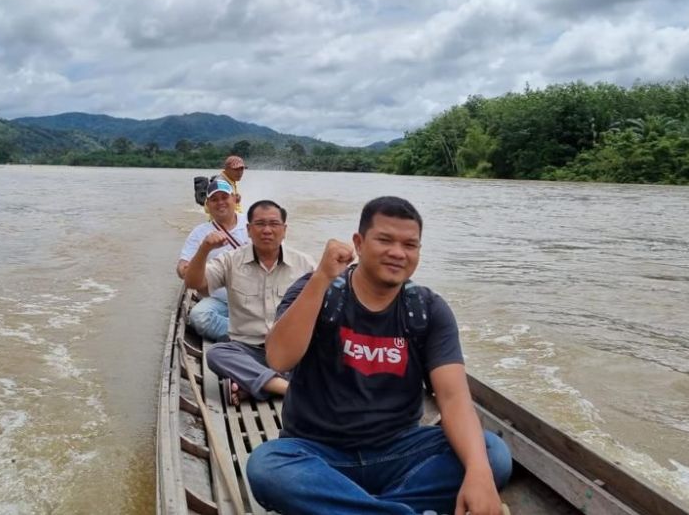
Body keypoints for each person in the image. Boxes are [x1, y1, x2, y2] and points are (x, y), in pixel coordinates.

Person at [247, 196, 512, 515]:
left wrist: (479, 475)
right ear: (358, 243)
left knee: (491, 454)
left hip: (398, 453)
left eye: (410, 245)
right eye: (385, 240)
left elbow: (454, 398)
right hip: (318, 453)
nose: (398, 253)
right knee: (267, 466)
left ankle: (356, 507)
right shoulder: (318, 289)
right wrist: (320, 278)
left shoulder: (428, 309)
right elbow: (279, 359)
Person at [184, 199, 315, 404]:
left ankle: (256, 387)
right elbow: (193, 282)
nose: (267, 230)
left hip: (290, 352)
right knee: (217, 354)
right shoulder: (230, 261)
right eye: (260, 224)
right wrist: (204, 249)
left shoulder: (305, 264)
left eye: (274, 224)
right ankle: (288, 389)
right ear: (248, 230)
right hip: (248, 349)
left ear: (284, 230)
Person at [177, 178, 247, 340]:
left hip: (255, 297)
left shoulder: (251, 223)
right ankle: (251, 335)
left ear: (235, 199)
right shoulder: (200, 233)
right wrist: (187, 267)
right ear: (207, 205)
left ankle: (247, 331)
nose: (220, 203)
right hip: (219, 301)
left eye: (224, 197)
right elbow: (182, 267)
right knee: (199, 317)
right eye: (214, 199)